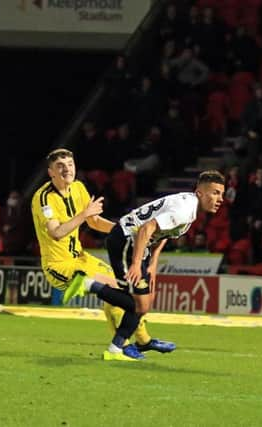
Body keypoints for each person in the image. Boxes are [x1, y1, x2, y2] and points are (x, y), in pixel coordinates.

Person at [62, 170, 225, 361]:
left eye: (221, 193)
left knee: (142, 304)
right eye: (215, 192)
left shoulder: (188, 205)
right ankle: (89, 286)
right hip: (125, 241)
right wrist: (137, 264)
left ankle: (120, 346)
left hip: (135, 243)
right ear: (200, 193)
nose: (220, 198)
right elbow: (147, 228)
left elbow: (161, 233)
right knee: (137, 305)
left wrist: (153, 262)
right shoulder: (185, 210)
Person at [31, 148, 175, 362]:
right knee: (119, 291)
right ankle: (121, 347)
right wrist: (84, 214)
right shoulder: (43, 199)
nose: (66, 169)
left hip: (81, 258)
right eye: (60, 166)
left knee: (125, 288)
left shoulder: (78, 188)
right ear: (50, 172)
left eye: (69, 164)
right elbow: (57, 233)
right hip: (59, 266)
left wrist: (125, 230)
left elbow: (94, 221)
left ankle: (142, 341)